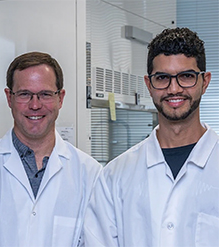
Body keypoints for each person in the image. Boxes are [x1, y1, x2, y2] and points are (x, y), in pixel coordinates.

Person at [83, 27, 219, 246]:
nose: (174, 89)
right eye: (162, 78)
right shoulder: (115, 176)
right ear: (149, 84)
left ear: (205, 82)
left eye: (186, 76)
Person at [0, 51, 102, 247]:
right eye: (24, 94)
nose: (35, 105)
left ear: (60, 98)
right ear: (9, 98)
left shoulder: (90, 173)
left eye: (45, 94)